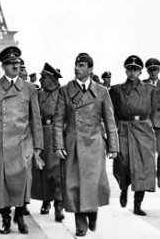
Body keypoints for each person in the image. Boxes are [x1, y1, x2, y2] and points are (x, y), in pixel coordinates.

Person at [53, 53, 119, 237]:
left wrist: (113, 147)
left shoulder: (102, 92)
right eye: (76, 65)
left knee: (92, 183)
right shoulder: (65, 91)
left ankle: (93, 211)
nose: (77, 68)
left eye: (81, 65)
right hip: (72, 143)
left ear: (90, 69)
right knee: (74, 184)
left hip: (95, 143)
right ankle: (80, 224)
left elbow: (110, 120)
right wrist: (58, 145)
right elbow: (58, 121)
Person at [0, 46, 44, 235]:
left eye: (17, 63)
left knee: (22, 180)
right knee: (1, 182)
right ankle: (5, 217)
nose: (16, 66)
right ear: (3, 66)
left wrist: (38, 144)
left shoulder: (30, 88)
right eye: (11, 63)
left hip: (23, 142)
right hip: (0, 141)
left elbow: (36, 117)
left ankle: (20, 214)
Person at [110, 55, 156, 216]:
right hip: (123, 128)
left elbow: (154, 111)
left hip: (143, 129)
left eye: (136, 70)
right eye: (130, 69)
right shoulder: (116, 90)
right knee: (123, 163)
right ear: (125, 71)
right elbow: (112, 113)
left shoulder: (150, 89)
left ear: (140, 71)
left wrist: (149, 128)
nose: (132, 73)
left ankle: (138, 203)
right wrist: (113, 132)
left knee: (143, 167)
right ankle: (124, 187)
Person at [31, 63, 64, 222]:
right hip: (40, 133)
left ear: (51, 79)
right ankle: (46, 201)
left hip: (57, 134)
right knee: (41, 171)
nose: (40, 79)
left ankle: (58, 204)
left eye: (43, 77)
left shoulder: (63, 94)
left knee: (56, 171)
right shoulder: (38, 94)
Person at [143, 58, 160, 188]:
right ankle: (150, 175)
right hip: (146, 122)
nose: (153, 72)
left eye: (155, 69)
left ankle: (159, 173)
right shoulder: (142, 85)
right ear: (147, 70)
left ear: (159, 70)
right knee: (147, 153)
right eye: (150, 69)